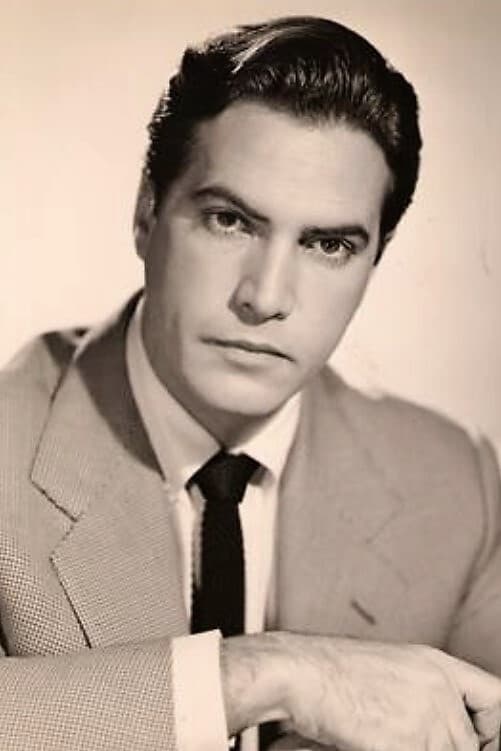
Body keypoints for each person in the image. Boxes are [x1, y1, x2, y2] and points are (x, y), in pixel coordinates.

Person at [1, 14, 501, 751]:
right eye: (229, 221)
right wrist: (261, 676)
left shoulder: (453, 483)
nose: (265, 297)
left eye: (327, 244)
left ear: (375, 259)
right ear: (146, 213)